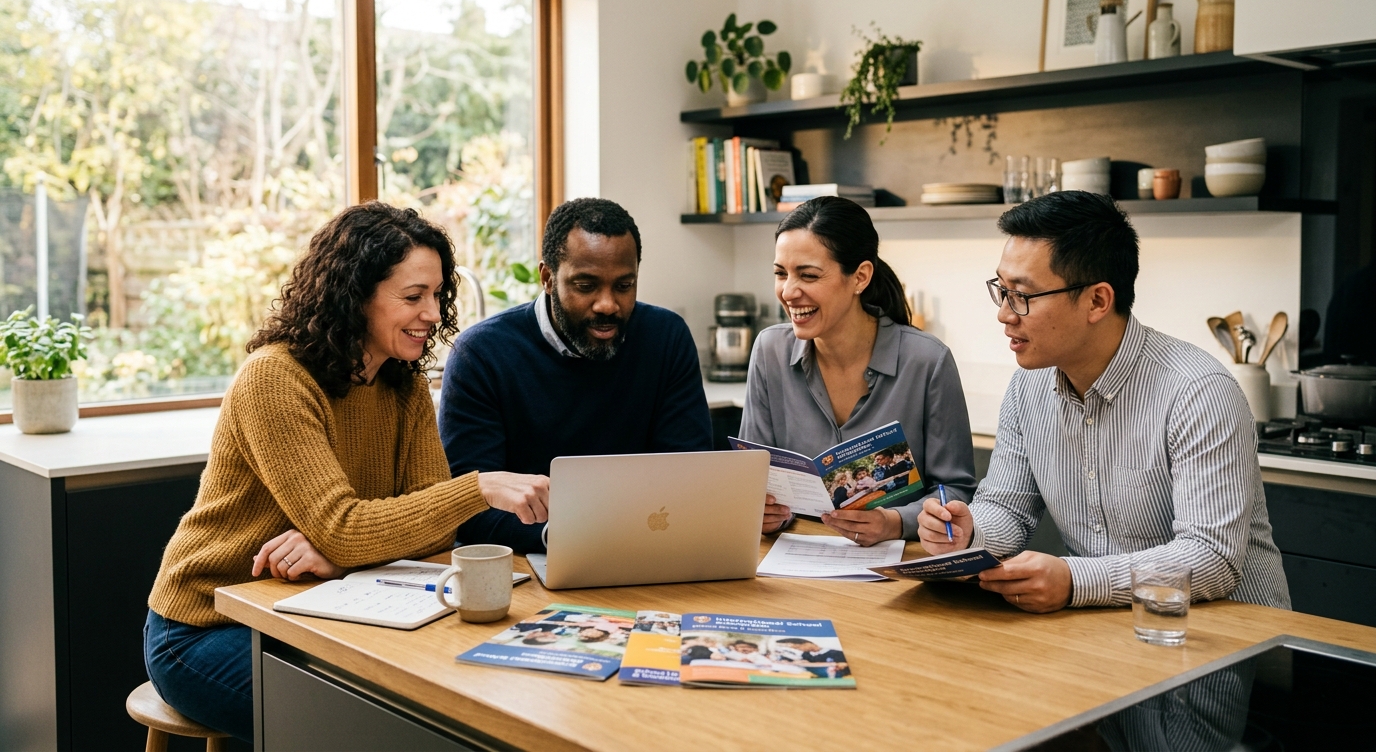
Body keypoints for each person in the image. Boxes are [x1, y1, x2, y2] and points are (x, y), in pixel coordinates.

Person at [143, 202, 549, 742]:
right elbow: (345, 525)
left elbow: (433, 533)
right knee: (374, 724)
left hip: (317, 604)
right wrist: (477, 487)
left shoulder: (404, 384)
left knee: (433, 709)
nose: (432, 313)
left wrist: (339, 554)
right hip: (206, 626)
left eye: (437, 294)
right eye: (413, 296)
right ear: (355, 296)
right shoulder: (275, 379)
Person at [917, 191, 1290, 613]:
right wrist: (969, 532)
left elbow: (1211, 557)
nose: (1004, 313)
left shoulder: (1197, 391)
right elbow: (1007, 506)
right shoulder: (1028, 387)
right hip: (1107, 628)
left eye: (1022, 295)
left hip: (1226, 634)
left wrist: (1074, 580)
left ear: (1097, 301)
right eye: (1001, 290)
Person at [439, 198, 712, 553]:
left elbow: (690, 476)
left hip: (648, 548)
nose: (607, 305)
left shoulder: (666, 337)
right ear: (547, 278)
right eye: (586, 286)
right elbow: (466, 506)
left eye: (624, 286)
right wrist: (561, 536)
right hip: (535, 556)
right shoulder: (481, 354)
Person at [739, 196, 977, 545]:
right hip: (795, 558)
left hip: (898, 561)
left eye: (808, 275)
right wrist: (763, 512)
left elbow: (956, 491)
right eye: (780, 273)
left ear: (860, 277)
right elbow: (752, 479)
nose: (788, 291)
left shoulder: (928, 361)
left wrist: (894, 522)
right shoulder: (769, 350)